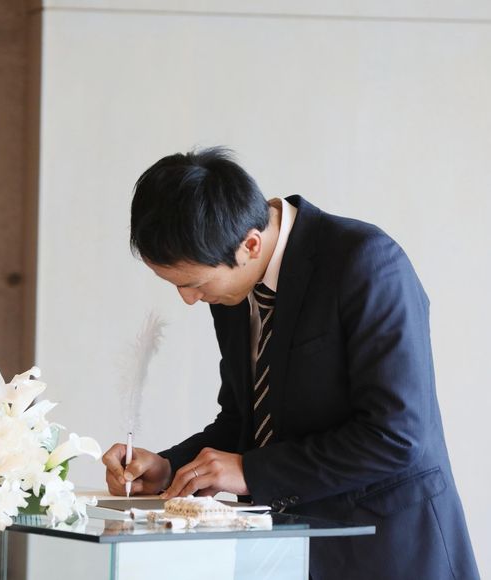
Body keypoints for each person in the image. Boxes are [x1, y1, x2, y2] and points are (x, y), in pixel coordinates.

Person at [102, 147, 479, 579]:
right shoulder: (232, 291)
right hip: (284, 554)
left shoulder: (368, 261)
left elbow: (396, 435)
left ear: (250, 244)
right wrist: (170, 468)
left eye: (195, 284)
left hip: (391, 553)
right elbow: (246, 420)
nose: (189, 299)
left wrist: (251, 472)